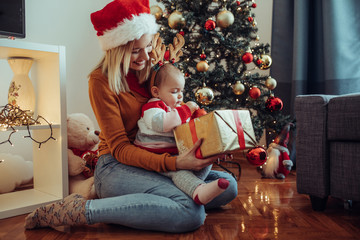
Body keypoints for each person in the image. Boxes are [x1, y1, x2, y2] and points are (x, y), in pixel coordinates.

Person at [24, 0, 238, 233]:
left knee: (229, 188)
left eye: (146, 47)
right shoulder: (100, 81)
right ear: (116, 49)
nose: (145, 57)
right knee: (192, 212)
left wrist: (208, 144)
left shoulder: (152, 73)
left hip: (154, 161)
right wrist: (174, 163)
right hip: (116, 166)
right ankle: (79, 210)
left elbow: (176, 110)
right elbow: (120, 148)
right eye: (135, 51)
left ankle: (138, 207)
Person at [135, 62, 230, 205]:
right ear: (156, 92)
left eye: (182, 91)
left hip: (175, 154)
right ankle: (197, 191)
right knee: (179, 172)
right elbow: (163, 123)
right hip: (156, 157)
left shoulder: (177, 109)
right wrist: (186, 110)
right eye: (174, 92)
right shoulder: (153, 106)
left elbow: (189, 132)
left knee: (206, 157)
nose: (180, 96)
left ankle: (193, 184)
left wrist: (215, 147)